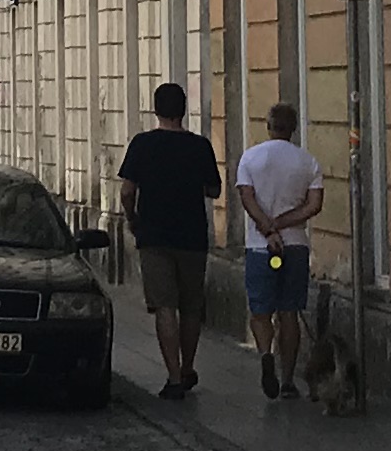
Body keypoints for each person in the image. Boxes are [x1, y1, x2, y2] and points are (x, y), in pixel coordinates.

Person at [114, 83, 225, 397]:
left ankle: (174, 377)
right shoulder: (200, 146)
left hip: (154, 236)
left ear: (156, 109)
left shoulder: (142, 144)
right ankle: (188, 367)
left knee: (165, 306)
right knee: (191, 307)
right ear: (184, 110)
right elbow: (214, 189)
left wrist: (132, 217)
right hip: (192, 236)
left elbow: (127, 191)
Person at [236, 103, 325, 402]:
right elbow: (314, 205)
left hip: (260, 247)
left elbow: (247, 198)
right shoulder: (308, 162)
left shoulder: (250, 157)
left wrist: (267, 227)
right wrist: (283, 224)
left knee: (260, 312)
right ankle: (287, 381)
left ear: (268, 125)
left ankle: (266, 354)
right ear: (294, 128)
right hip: (295, 245)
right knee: (289, 313)